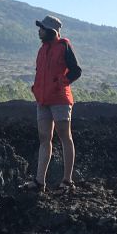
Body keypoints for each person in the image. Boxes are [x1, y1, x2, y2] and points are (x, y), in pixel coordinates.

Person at [25, 15, 82, 193]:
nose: (39, 31)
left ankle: (67, 181)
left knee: (65, 136)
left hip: (60, 99)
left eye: (42, 28)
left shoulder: (63, 46)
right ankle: (39, 181)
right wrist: (36, 88)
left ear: (51, 31)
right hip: (43, 100)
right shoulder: (42, 50)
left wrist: (60, 83)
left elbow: (76, 71)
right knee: (44, 138)